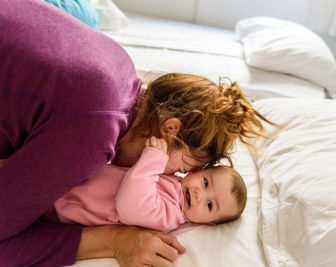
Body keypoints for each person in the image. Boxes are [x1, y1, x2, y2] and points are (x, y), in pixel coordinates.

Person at [0, 0, 271, 266]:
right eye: (182, 166)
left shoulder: (120, 64)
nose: (170, 177)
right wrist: (112, 240)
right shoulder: (94, 131)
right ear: (171, 129)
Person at [43, 136, 247, 233]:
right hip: (73, 175)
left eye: (210, 205)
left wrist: (152, 160)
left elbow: (131, 205)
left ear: (208, 222)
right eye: (205, 183)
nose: (200, 195)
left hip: (63, 204)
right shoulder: (176, 180)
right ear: (195, 171)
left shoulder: (169, 217)